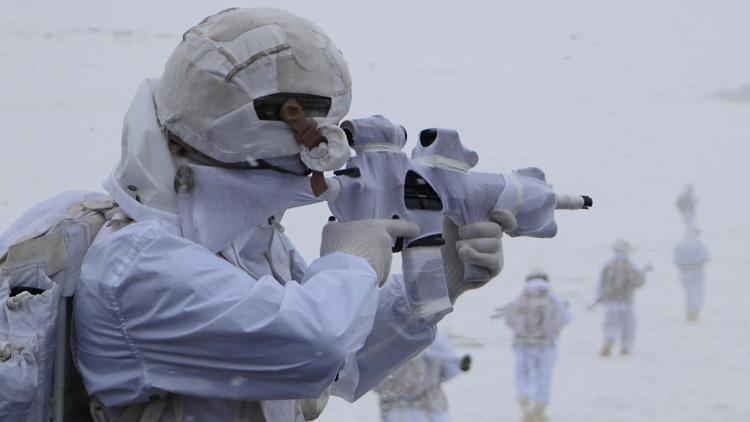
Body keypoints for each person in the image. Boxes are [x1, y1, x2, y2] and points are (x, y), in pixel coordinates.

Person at [71, 8, 516, 421]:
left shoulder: (243, 243)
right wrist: (353, 262)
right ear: (284, 124)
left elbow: (341, 364)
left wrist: (441, 278)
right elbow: (313, 348)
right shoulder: (138, 264)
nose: (323, 159)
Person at [504, 269, 569, 422]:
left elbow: (510, 318)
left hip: (523, 344)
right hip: (547, 344)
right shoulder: (552, 297)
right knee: (544, 376)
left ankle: (525, 404)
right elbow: (564, 318)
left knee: (523, 375)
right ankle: (539, 408)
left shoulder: (523, 296)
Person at [373, 330, 470, 422]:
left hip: (397, 410)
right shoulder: (435, 334)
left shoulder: (382, 333)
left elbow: (370, 379)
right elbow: (450, 372)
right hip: (430, 409)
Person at [596, 240, 648, 357]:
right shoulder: (631, 266)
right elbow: (639, 282)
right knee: (628, 325)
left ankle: (609, 339)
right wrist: (643, 274)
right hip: (626, 301)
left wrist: (599, 296)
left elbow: (601, 283)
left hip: (610, 300)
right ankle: (625, 346)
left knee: (610, 323)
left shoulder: (608, 265)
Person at [674, 228, 710, 322]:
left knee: (689, 294)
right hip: (696, 272)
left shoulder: (680, 245)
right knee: (697, 294)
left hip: (684, 273)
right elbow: (705, 258)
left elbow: (676, 260)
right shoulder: (699, 245)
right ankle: (694, 315)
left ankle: (689, 314)